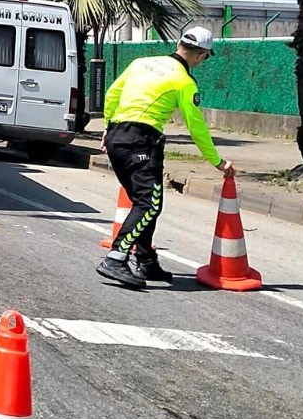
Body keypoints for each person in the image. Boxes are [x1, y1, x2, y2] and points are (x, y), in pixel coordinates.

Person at [96, 26, 237, 290]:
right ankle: (116, 258)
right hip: (141, 142)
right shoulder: (184, 81)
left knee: (143, 202)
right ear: (202, 54)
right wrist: (217, 161)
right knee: (149, 205)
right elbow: (196, 126)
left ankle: (147, 261)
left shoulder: (141, 63)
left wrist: (107, 126)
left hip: (117, 137)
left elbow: (113, 93)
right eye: (206, 57)